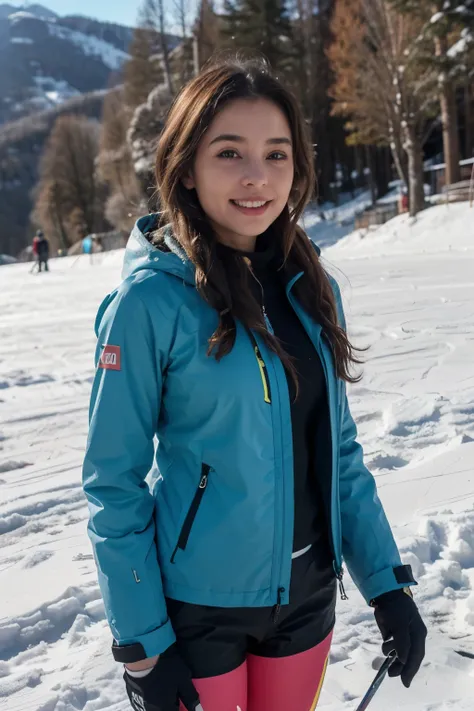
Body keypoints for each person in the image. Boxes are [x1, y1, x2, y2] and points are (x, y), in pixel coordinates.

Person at [82, 58, 427, 711]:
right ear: (185, 167)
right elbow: (112, 482)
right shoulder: (149, 303)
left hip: (305, 602)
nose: (256, 176)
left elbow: (340, 453)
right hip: (196, 614)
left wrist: (387, 584)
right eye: (229, 152)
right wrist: (143, 644)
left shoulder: (308, 285)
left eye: (277, 154)